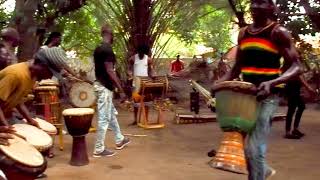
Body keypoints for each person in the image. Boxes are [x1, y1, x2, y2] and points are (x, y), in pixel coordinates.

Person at [212, 0, 302, 179]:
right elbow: (237, 67)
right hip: (246, 97)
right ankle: (264, 171)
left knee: (253, 150)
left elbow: (297, 66)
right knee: (244, 148)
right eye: (253, 2)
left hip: (268, 97)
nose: (255, 6)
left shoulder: (278, 32)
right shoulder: (243, 33)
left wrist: (272, 83)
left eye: (261, 3)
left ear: (270, 7)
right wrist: (219, 84)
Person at [92, 24, 130, 157]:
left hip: (100, 85)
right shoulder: (107, 50)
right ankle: (99, 149)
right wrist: (121, 89)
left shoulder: (98, 49)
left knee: (111, 114)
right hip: (104, 87)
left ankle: (119, 139)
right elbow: (109, 70)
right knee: (104, 118)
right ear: (110, 35)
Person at [0, 58, 53, 126]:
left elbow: (18, 101)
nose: (50, 77)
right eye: (50, 73)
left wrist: (30, 120)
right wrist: (6, 125)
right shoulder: (15, 74)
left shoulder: (32, 77)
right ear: (41, 66)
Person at [127, 45, 155, 125]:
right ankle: (136, 120)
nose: (141, 54)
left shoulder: (148, 59)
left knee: (146, 103)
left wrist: (153, 74)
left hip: (145, 83)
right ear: (138, 52)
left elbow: (151, 70)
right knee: (136, 104)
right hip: (136, 84)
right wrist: (130, 73)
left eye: (142, 53)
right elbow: (129, 69)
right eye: (140, 52)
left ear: (145, 52)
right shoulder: (133, 58)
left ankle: (145, 120)